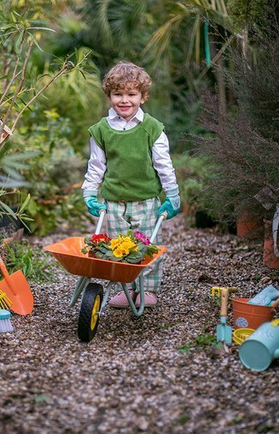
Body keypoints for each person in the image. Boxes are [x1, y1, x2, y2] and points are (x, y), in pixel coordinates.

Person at [82, 61, 180, 308]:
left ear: (143, 96)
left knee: (146, 246)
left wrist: (173, 195)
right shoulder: (102, 130)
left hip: (145, 199)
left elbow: (164, 165)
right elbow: (96, 166)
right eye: (118, 94)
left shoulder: (152, 129)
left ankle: (147, 290)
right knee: (119, 247)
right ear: (109, 96)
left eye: (131, 94)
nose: (124, 100)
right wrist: (89, 193)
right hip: (114, 200)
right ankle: (125, 289)